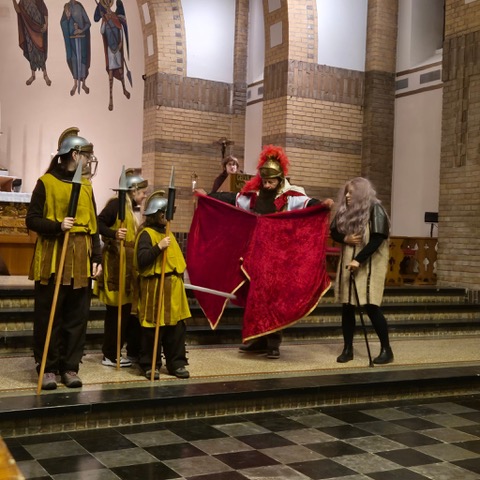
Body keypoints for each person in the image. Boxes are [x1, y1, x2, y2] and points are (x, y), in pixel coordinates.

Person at [200, 145, 334, 359]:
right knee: (255, 298)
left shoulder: (291, 196)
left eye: (271, 182)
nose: (267, 185)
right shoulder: (254, 196)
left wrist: (323, 204)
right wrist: (207, 196)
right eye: (265, 181)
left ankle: (273, 344)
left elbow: (309, 204)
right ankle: (257, 340)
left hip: (279, 257)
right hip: (256, 255)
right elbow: (231, 199)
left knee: (273, 299)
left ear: (280, 180)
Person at [26, 129, 102, 390]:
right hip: (53, 257)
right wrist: (58, 226)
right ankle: (47, 367)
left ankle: (70, 367)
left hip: (81, 258)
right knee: (50, 316)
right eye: (86, 155)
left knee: (76, 317)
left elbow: (93, 226)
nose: (89, 160)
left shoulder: (87, 186)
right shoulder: (46, 183)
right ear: (74, 155)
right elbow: (32, 220)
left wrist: (97, 257)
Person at [330, 177, 394, 365]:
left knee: (371, 306)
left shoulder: (375, 208)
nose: (347, 196)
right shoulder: (345, 210)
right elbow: (333, 231)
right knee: (347, 306)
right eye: (346, 192)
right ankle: (348, 349)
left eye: (351, 192)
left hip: (369, 264)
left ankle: (386, 350)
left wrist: (358, 260)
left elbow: (378, 238)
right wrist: (345, 238)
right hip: (348, 262)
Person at [134, 190, 191, 380]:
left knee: (176, 328)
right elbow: (142, 260)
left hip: (173, 290)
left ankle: (177, 363)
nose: (167, 217)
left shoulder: (168, 233)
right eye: (165, 213)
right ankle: (150, 364)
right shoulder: (146, 234)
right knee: (152, 329)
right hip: (155, 288)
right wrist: (158, 247)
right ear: (157, 214)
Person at [95, 168, 147, 368]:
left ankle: (120, 351)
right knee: (116, 312)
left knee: (125, 311)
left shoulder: (131, 208)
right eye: (142, 192)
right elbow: (98, 223)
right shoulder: (116, 204)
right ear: (133, 190)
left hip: (129, 265)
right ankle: (110, 354)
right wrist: (114, 233)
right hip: (116, 264)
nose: (144, 196)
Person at [94, 0, 131, 111]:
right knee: (111, 71)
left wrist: (121, 43)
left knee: (120, 70)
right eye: (106, 5)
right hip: (110, 48)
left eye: (108, 4)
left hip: (117, 47)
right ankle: (111, 99)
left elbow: (120, 30)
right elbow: (102, 31)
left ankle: (124, 89)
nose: (108, 7)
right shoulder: (104, 17)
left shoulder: (115, 16)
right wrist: (104, 21)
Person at [12, 0, 52, 86]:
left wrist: (46, 24)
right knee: (31, 52)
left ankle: (45, 75)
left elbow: (45, 10)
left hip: (39, 29)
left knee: (41, 51)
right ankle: (33, 75)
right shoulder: (22, 2)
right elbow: (18, 10)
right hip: (28, 30)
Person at [60, 0, 91, 96]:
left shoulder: (79, 6)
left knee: (82, 60)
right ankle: (75, 84)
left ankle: (84, 84)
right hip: (71, 40)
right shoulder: (66, 7)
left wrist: (81, 30)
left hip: (82, 39)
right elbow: (62, 23)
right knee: (73, 60)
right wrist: (67, 18)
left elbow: (88, 23)